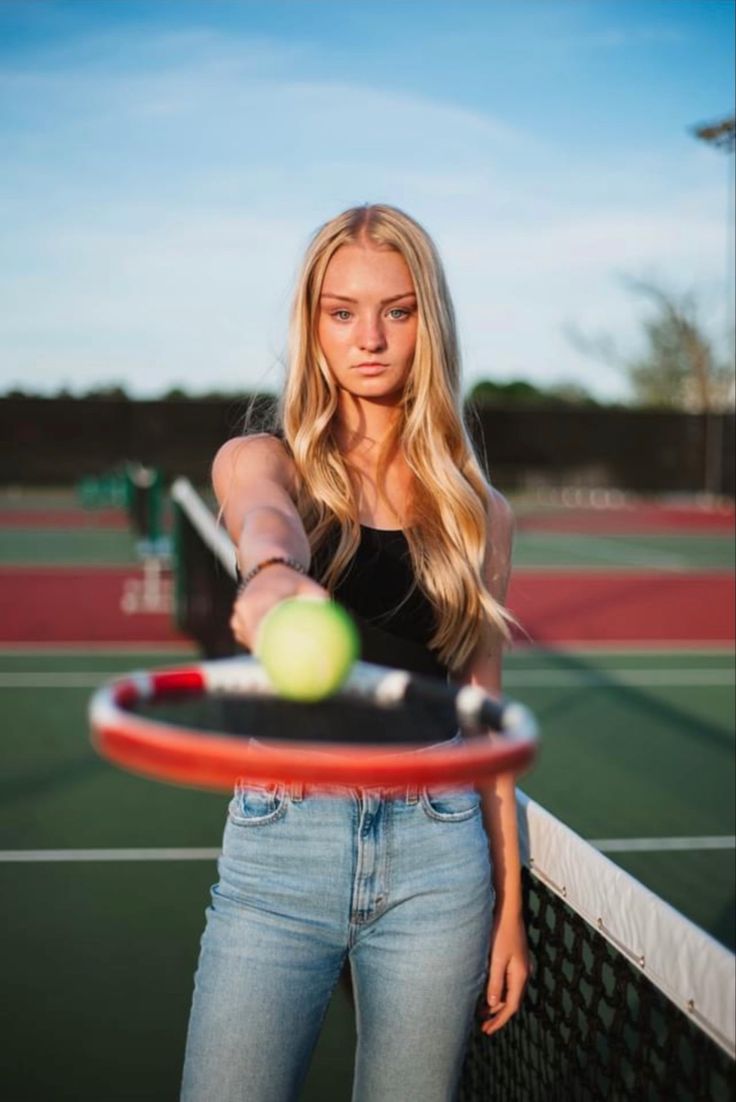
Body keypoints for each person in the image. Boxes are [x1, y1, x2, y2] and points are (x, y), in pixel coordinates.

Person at [180, 204, 528, 1102]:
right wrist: (268, 571)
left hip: (439, 861)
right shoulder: (264, 458)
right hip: (282, 845)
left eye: (397, 311)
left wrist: (511, 911)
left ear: (429, 322)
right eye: (342, 312)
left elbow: (484, 717)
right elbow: (261, 512)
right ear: (313, 323)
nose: (368, 338)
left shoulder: (477, 513)